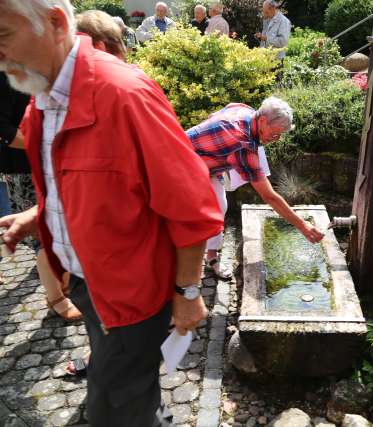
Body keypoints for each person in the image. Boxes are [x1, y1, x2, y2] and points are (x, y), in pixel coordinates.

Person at [0, 2, 223, 426]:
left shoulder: (124, 94)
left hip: (133, 296)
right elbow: (81, 178)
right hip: (89, 284)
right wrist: (41, 214)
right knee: (125, 390)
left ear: (55, 22)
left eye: (2, 36)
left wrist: (189, 294)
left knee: (111, 407)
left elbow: (192, 206)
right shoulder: (43, 93)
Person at [187, 97, 323, 278]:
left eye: (281, 135)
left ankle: (211, 256)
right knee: (185, 217)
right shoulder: (241, 143)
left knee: (220, 207)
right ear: (262, 121)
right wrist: (303, 226)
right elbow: (269, 196)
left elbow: (227, 107)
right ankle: (182, 274)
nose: (277, 139)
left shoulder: (246, 111)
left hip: (209, 164)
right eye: (275, 134)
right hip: (183, 164)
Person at [0, 72, 82, 321]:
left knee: (58, 229)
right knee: (44, 236)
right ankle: (55, 297)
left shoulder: (32, 66)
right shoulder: (4, 75)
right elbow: (3, 129)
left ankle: (62, 281)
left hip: (45, 161)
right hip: (24, 168)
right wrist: (41, 143)